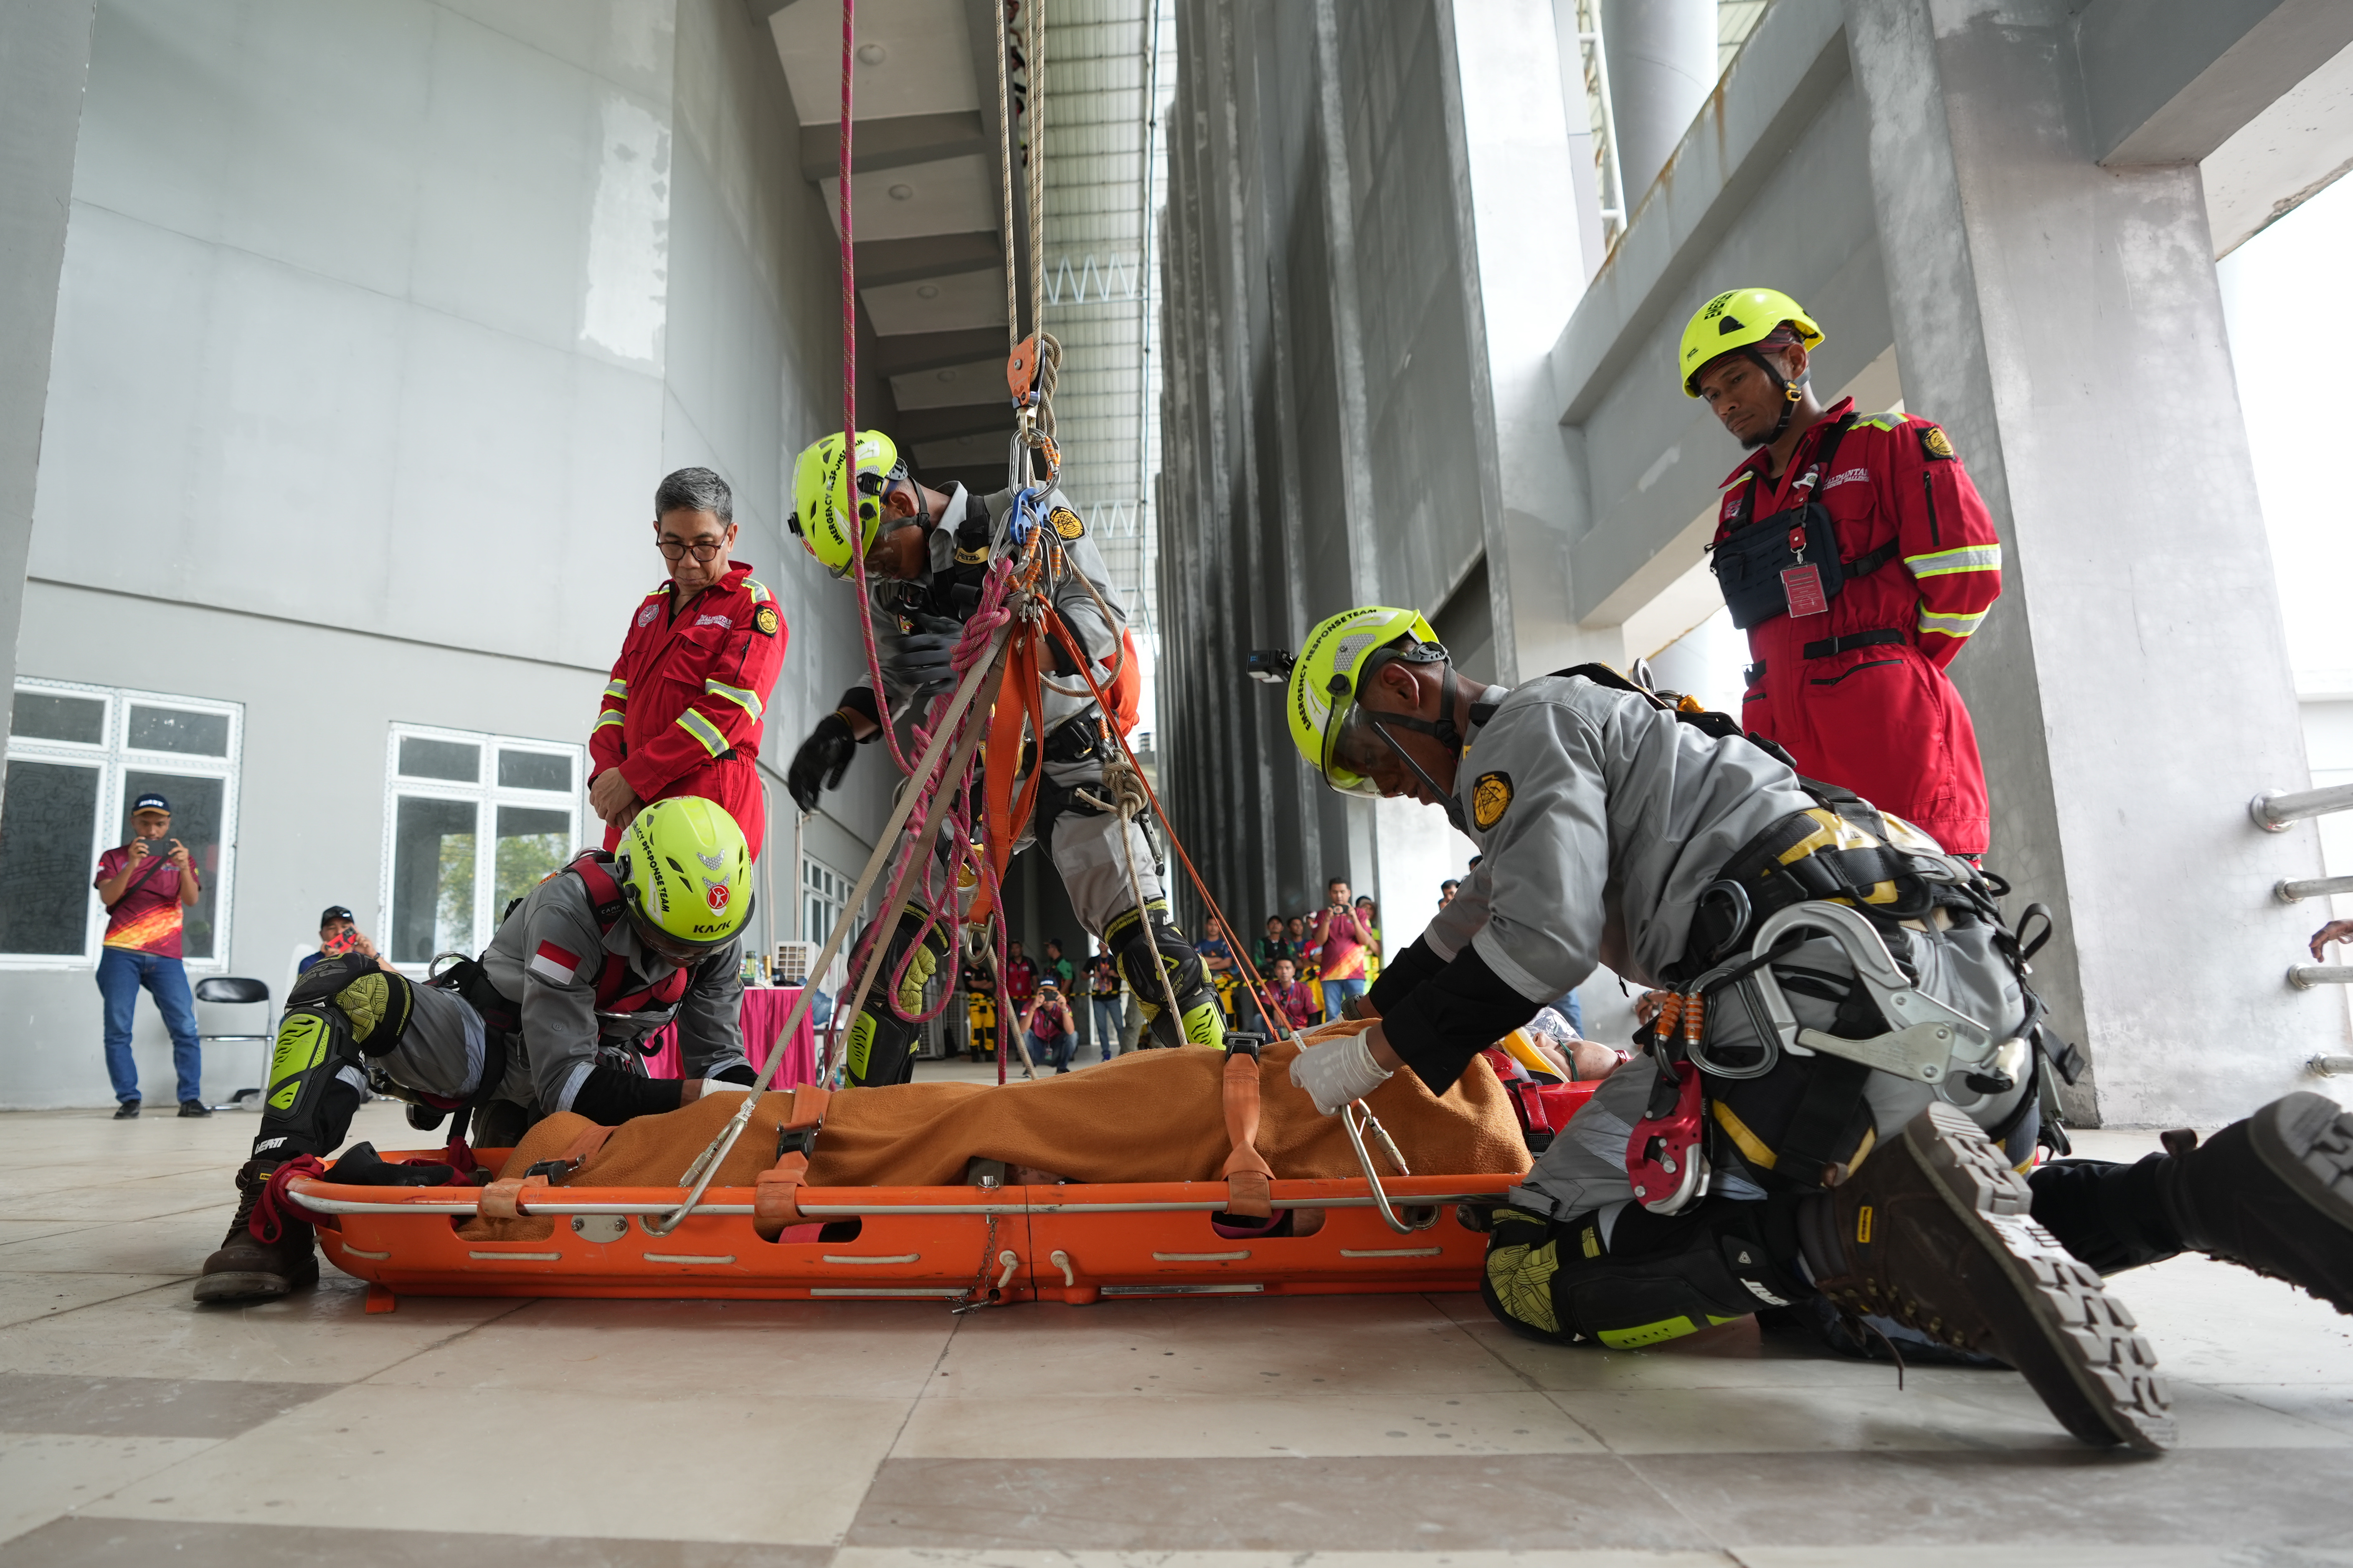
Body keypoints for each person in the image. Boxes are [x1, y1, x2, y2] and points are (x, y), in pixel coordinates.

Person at [1263, 603, 2353, 1453]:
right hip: (1953, 991)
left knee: (1530, 1264)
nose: (1393, 792)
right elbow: (1458, 937)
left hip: (1812, 1007)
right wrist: (1348, 1032)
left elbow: (1538, 945)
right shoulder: (1603, 726)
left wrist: (1373, 1059)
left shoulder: (1520, 734)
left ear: (1405, 686)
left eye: (1372, 761)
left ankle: (1836, 1236)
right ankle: (2210, 1190)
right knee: (1971, 1233)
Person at [781, 429, 1223, 1082]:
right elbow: (898, 677)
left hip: (1071, 756)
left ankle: (1220, 1100)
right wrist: (841, 728)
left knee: (1157, 962)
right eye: (861, 568)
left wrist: (1000, 651)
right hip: (971, 772)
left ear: (900, 501)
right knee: (888, 961)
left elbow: (1102, 621)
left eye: (874, 554)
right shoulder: (897, 591)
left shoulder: (1025, 515)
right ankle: (870, 1132)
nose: (875, 572)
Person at [194, 798, 760, 1304]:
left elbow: (719, 1057)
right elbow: (566, 1082)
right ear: (633, 890)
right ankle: (269, 1209)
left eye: (703, 946)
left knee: (549, 1184)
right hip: (489, 1042)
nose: (686, 958)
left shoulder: (715, 937)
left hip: (598, 1062)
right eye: (670, 942)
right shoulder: (572, 907)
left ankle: (511, 1130)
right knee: (340, 985)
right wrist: (706, 1095)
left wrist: (756, 1108)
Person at [1682, 287, 2003, 857]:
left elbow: (1966, 577)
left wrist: (1885, 666)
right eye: (1710, 394)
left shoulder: (1888, 443)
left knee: (1930, 918)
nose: (1724, 403)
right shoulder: (1738, 501)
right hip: (1777, 747)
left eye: (1734, 378)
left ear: (1793, 360)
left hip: (1886, 734)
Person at [588, 468, 788, 859]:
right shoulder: (650, 611)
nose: (688, 562)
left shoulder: (754, 608)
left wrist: (634, 776)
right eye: (673, 544)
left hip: (707, 809)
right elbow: (615, 701)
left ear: (730, 537)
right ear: (657, 533)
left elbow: (727, 713)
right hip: (631, 811)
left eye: (704, 546)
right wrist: (607, 777)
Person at [92, 793, 207, 1120]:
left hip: (167, 955)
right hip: (121, 953)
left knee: (185, 1026)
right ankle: (129, 1099)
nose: (153, 830)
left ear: (168, 824)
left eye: (159, 823)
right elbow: (108, 896)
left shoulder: (182, 858)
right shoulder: (114, 857)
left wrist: (185, 867)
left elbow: (191, 900)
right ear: (134, 822)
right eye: (145, 822)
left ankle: (191, 1099)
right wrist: (132, 863)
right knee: (118, 1028)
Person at [1307, 879, 1374, 1022]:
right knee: (1332, 1016)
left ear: (1349, 893)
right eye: (1335, 892)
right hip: (1330, 974)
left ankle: (1357, 1044)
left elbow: (1366, 941)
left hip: (1354, 972)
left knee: (1358, 1014)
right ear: (1330, 894)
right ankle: (1336, 1044)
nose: (1339, 896)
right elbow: (1319, 942)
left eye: (1343, 892)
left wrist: (1354, 919)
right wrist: (1327, 920)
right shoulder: (1322, 915)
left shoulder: (1360, 913)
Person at [299, 906, 387, 976]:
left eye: (345, 927)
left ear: (355, 930)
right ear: (322, 935)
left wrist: (373, 954)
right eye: (332, 928)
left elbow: (398, 986)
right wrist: (328, 963)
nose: (339, 932)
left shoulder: (367, 958)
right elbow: (308, 996)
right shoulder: (310, 963)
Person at [1019, 980, 1080, 1076]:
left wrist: (1064, 1008)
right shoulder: (1029, 1006)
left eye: (1051, 994)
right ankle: (1029, 1067)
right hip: (1037, 1048)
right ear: (1038, 994)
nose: (1048, 998)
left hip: (1056, 1048)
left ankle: (1062, 1068)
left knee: (1074, 1036)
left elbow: (1070, 1032)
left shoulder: (1064, 1007)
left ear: (1058, 994)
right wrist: (1033, 1008)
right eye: (1044, 994)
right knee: (1025, 1035)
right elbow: (1022, 1031)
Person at [1257, 956, 1320, 1032]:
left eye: (1288, 968)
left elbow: (1313, 1016)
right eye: (1280, 968)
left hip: (1299, 1029)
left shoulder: (1305, 990)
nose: (1284, 972)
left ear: (1294, 971)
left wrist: (1308, 1033)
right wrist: (1275, 1011)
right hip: (1279, 1028)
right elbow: (1264, 1005)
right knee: (1258, 1019)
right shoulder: (1270, 986)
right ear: (1275, 971)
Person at [1086, 938, 1124, 1061]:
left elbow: (1125, 976)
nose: (1102, 945)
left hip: (1113, 997)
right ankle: (1106, 1055)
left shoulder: (1115, 960)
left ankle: (1124, 1051)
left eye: (1104, 943)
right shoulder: (1093, 960)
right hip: (1098, 998)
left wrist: (1115, 975)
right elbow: (1083, 975)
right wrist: (1093, 975)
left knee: (1119, 1025)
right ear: (1098, 945)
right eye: (1100, 943)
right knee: (1102, 1027)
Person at [1355, 895, 1384, 985]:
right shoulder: (1351, 928)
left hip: (1370, 976)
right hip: (1352, 973)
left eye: (1371, 909)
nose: (1368, 911)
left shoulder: (1375, 932)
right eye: (1365, 908)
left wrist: (1367, 929)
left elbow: (1377, 950)